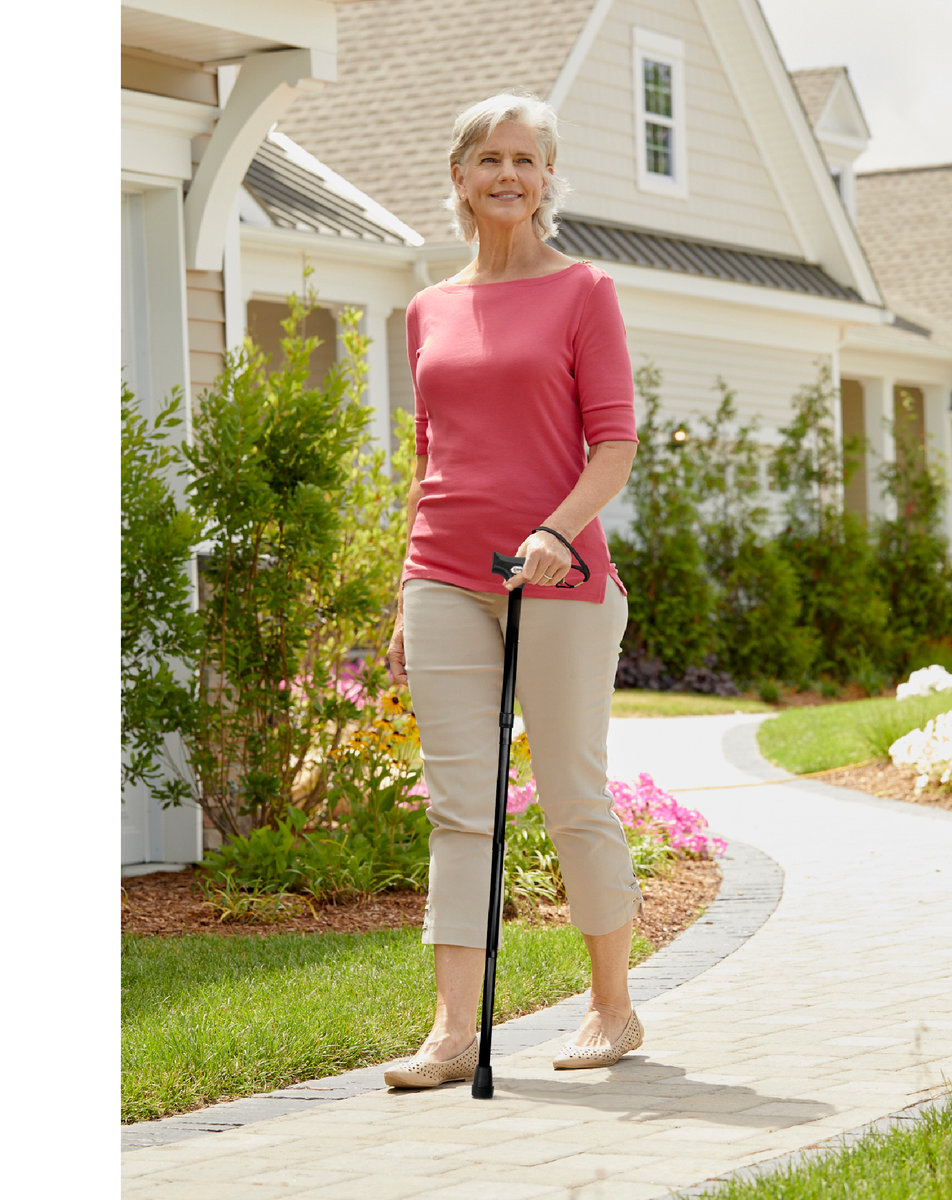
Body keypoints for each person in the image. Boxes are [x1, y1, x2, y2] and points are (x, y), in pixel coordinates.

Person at [382, 92, 644, 1089]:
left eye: (525, 160)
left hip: (559, 578)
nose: (507, 173)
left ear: (545, 180)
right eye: (488, 157)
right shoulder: (428, 309)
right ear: (459, 177)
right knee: (460, 807)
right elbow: (430, 458)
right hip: (444, 572)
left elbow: (612, 445)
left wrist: (552, 529)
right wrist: (404, 591)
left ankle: (613, 1011)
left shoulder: (585, 290)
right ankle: (453, 1034)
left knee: (574, 796)